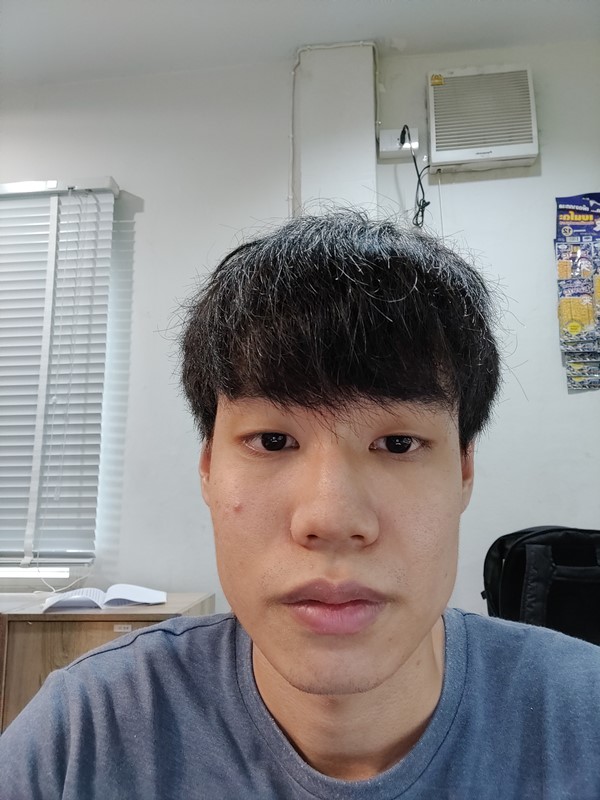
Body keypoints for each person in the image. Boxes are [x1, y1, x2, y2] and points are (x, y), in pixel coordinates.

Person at [1, 211, 599, 799]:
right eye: (272, 441)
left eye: (397, 443)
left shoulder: (584, 718)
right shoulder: (82, 736)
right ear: (208, 468)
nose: (331, 519)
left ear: (464, 471)